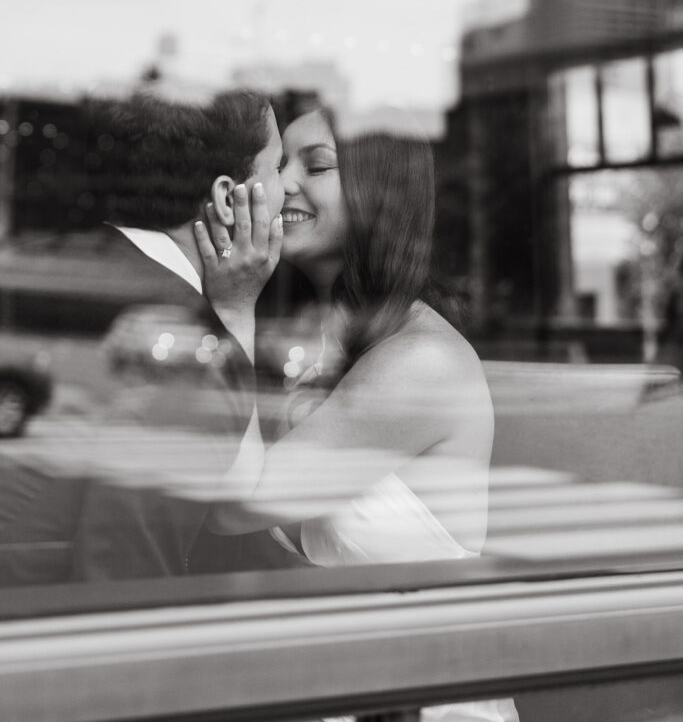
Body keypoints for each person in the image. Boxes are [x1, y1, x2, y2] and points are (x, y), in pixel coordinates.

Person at [199, 105, 517, 721]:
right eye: (278, 163)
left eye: (316, 165)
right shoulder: (312, 348)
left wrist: (233, 308)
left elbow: (238, 505)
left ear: (382, 196)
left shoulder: (422, 361)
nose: (280, 183)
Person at [0, 89, 291, 585]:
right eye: (277, 167)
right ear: (229, 198)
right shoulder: (182, 347)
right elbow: (126, 576)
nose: (289, 188)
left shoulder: (49, 272)